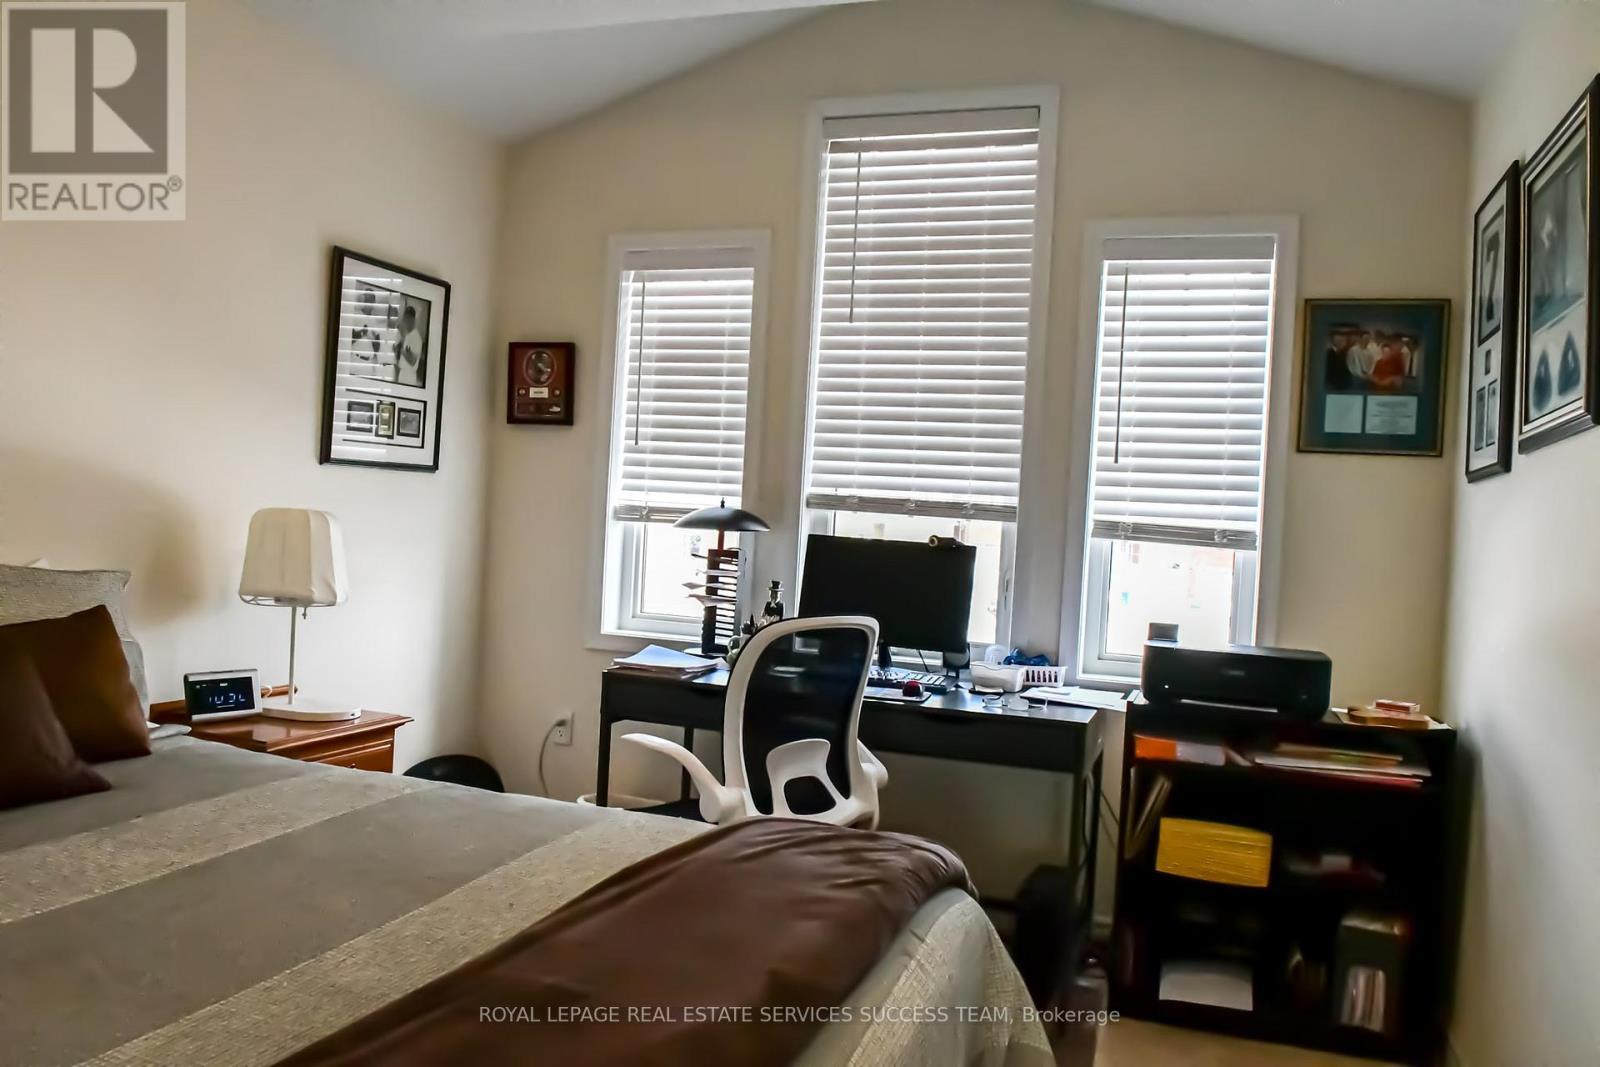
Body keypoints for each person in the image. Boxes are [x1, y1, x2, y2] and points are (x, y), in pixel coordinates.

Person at [395, 304, 427, 388]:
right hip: (402, 373)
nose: (407, 321)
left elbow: (413, 362)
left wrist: (402, 350)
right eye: (406, 318)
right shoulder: (408, 335)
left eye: (409, 318)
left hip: (409, 377)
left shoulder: (416, 337)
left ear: (413, 320)